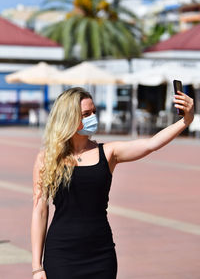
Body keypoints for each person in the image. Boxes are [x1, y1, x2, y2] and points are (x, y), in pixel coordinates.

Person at [31, 86, 194, 279]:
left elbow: (151, 144)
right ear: (69, 118)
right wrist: (37, 267)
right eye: (86, 114)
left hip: (100, 253)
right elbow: (40, 209)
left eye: (93, 112)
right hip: (62, 254)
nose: (93, 117)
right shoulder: (47, 158)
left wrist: (186, 120)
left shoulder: (108, 153)